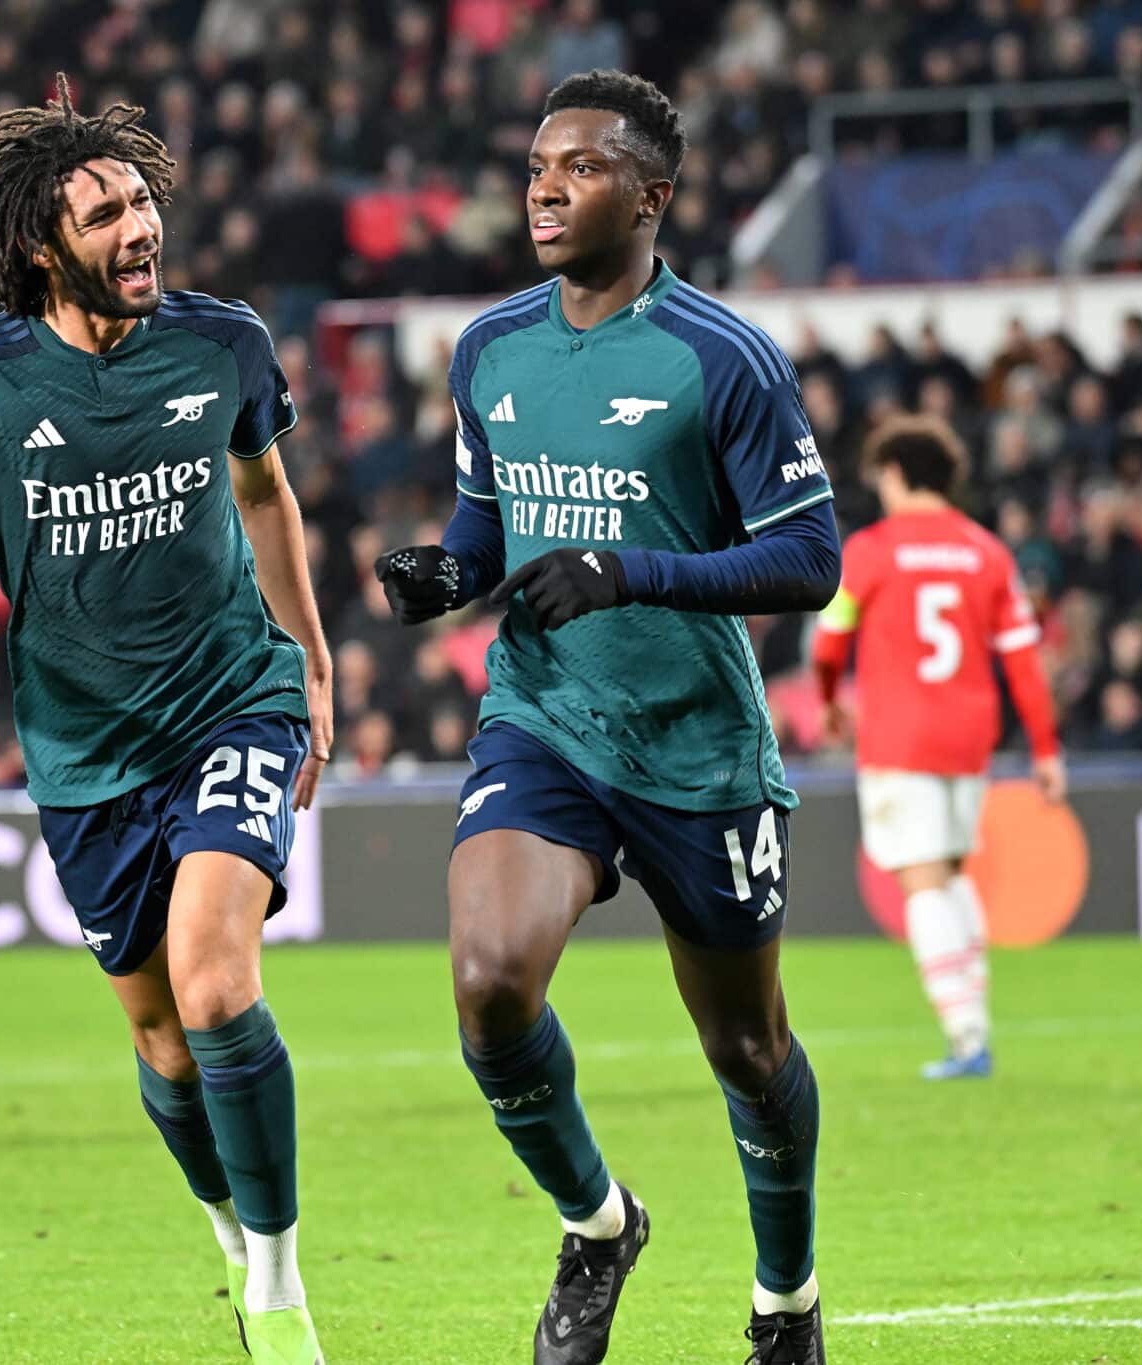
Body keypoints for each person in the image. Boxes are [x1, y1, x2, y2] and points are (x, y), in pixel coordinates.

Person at [0, 76, 334, 1365]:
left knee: (216, 983)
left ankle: (279, 1288)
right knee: (161, 1039)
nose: (139, 225)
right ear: (43, 249)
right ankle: (229, 1237)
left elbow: (264, 494)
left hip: (232, 699)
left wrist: (310, 661)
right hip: (83, 748)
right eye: (104, 212)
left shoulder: (223, 343)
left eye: (141, 200)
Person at [375, 69, 839, 1365]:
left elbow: (810, 559)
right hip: (545, 717)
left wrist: (630, 571)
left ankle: (786, 1303)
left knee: (746, 1047)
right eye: (537, 166)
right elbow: (485, 529)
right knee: (488, 984)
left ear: (650, 196)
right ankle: (597, 1223)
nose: (545, 188)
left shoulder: (721, 357)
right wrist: (447, 575)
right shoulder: (489, 350)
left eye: (579, 167)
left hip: (696, 743)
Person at [811, 413, 1066, 1079]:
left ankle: (966, 1037)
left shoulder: (871, 550)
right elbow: (1024, 662)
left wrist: (830, 699)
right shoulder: (987, 552)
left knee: (921, 882)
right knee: (950, 874)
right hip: (969, 738)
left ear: (895, 473)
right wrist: (1045, 750)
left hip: (900, 736)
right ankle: (973, 1024)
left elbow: (829, 642)